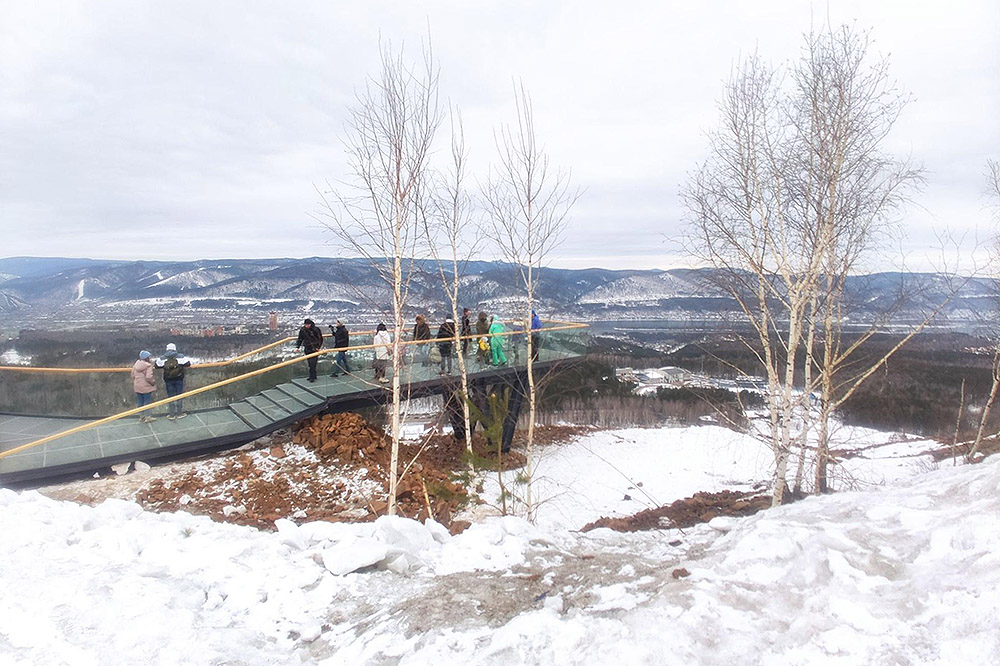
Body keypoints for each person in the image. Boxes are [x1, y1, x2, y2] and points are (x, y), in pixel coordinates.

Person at [154, 342, 192, 420]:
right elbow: (188, 364)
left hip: (168, 380)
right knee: (179, 396)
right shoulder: (180, 356)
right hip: (179, 379)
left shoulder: (162, 358)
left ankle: (172, 414)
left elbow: (156, 366)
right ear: (175, 349)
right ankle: (179, 413)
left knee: (170, 396)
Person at [131, 350, 157, 423]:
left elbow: (132, 375)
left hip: (137, 386)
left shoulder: (136, 365)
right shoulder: (148, 366)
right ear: (147, 358)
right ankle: (148, 417)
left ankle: (141, 416)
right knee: (147, 402)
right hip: (146, 387)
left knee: (140, 401)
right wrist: (153, 382)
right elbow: (149, 377)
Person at [295, 318, 324, 382]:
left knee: (312, 363)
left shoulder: (315, 330)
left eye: (307, 325)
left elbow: (320, 339)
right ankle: (313, 376)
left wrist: (318, 347)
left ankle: (312, 377)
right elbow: (300, 339)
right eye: (305, 325)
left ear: (310, 324)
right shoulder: (303, 330)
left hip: (314, 349)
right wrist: (297, 347)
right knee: (310, 363)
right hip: (307, 348)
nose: (306, 326)